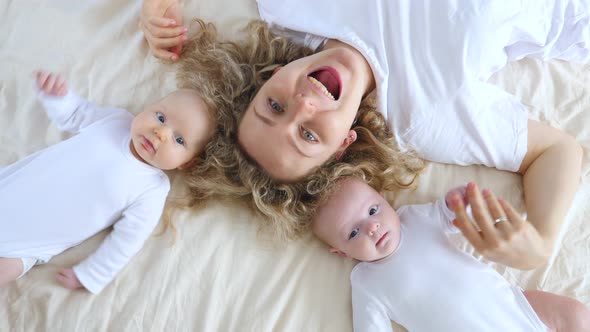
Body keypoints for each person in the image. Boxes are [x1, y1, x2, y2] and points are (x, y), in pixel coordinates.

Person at [141, 0, 586, 269]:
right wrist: (541, 243)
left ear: (269, 77)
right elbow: (556, 151)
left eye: (273, 107)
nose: (304, 103)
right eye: (309, 135)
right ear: (343, 143)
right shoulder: (425, 117)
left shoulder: (292, 8)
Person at [0, 70, 215, 294]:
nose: (160, 133)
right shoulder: (115, 122)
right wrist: (58, 97)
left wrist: (92, 274)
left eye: (179, 139)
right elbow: (75, 114)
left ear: (187, 163)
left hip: (25, 246)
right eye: (160, 117)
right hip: (9, 186)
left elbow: (127, 240)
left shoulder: (152, 189)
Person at [311, 176, 590, 331]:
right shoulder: (366, 282)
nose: (371, 227)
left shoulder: (412, 219)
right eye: (353, 233)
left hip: (516, 311)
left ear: (384, 198)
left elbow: (449, 215)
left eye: (373, 211)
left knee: (575, 315)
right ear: (342, 252)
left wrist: (459, 201)